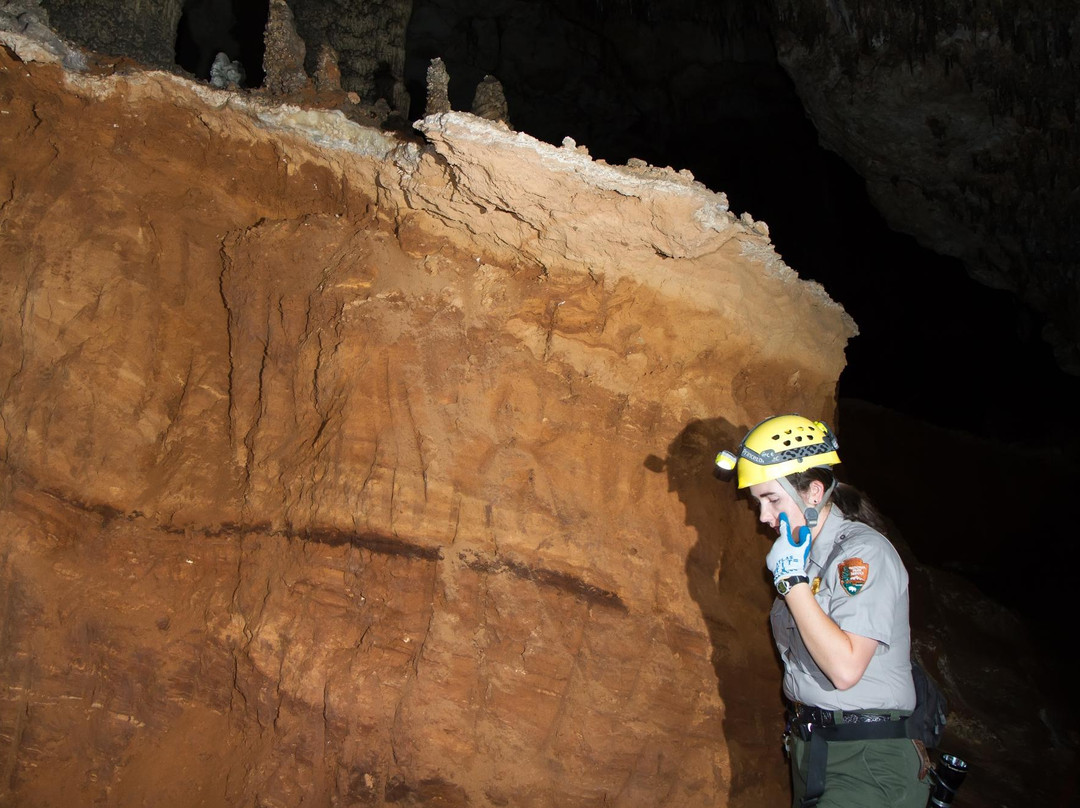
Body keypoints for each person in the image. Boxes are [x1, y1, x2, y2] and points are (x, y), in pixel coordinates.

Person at [714, 414, 931, 808]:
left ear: (814, 492)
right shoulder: (806, 558)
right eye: (758, 502)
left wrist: (792, 582)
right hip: (815, 750)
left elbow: (845, 669)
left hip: (866, 760)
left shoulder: (862, 554)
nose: (763, 517)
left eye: (772, 499)